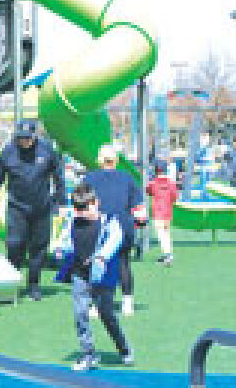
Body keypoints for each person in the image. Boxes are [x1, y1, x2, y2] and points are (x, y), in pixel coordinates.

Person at [0, 119, 66, 300]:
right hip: (17, 208)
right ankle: (12, 281)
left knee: (39, 248)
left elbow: (59, 177)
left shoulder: (47, 151)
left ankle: (34, 284)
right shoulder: (7, 153)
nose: (24, 141)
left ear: (35, 136)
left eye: (28, 138)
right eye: (21, 138)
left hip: (42, 208)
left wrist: (62, 203)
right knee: (14, 245)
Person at [53, 184, 134, 371]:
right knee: (80, 314)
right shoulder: (72, 220)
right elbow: (65, 239)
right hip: (80, 275)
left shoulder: (109, 222)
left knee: (107, 316)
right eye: (78, 209)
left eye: (86, 208)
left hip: (102, 276)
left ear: (96, 203)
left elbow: (116, 238)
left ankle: (124, 349)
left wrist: (102, 256)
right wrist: (59, 247)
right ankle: (89, 354)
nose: (82, 213)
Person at [80, 143, 143, 316]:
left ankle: (97, 305)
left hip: (99, 226)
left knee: (98, 264)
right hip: (123, 225)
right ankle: (127, 302)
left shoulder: (90, 178)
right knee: (123, 263)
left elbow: (81, 204)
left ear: (100, 160)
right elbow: (138, 208)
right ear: (115, 160)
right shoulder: (127, 178)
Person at [145, 161, 179, 266]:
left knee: (161, 235)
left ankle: (168, 255)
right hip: (168, 212)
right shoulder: (171, 183)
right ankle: (167, 254)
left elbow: (148, 191)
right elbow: (175, 196)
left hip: (158, 212)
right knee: (166, 234)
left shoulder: (153, 183)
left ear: (156, 171)